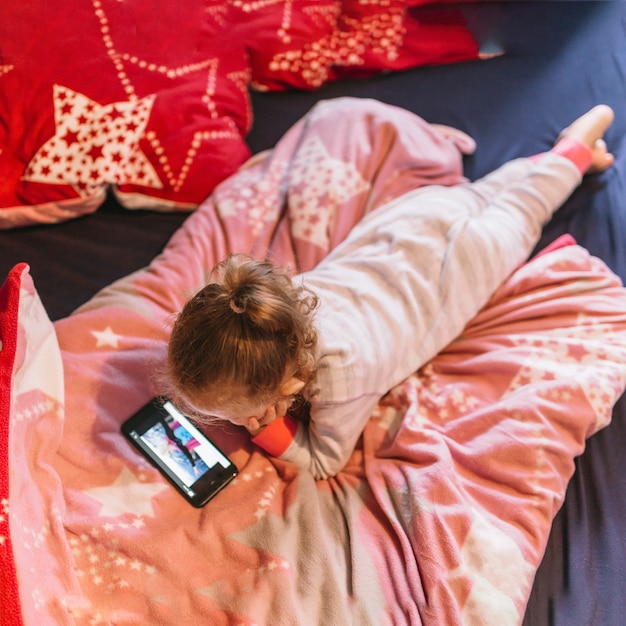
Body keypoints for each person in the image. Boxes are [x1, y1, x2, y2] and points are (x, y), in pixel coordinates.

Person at [166, 105, 615, 480]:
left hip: (462, 265)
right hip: (413, 223)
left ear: (291, 387)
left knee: (527, 207)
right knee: (489, 194)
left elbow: (324, 461)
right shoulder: (267, 305)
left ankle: (573, 150)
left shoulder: (341, 381)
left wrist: (269, 432)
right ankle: (560, 157)